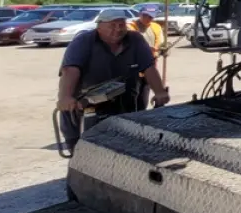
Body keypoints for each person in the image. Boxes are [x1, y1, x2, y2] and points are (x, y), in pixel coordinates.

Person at [56, 9, 170, 152]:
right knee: (84, 147)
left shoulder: (135, 39)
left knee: (127, 143)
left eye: (121, 25)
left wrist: (159, 92)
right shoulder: (83, 41)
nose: (118, 29)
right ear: (99, 26)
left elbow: (149, 68)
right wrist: (65, 97)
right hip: (86, 101)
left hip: (124, 99)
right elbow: (70, 70)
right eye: (112, 25)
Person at [129, 9, 166, 110]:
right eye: (146, 16)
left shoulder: (156, 27)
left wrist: (162, 50)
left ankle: (141, 114)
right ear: (140, 15)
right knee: (131, 97)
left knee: (143, 97)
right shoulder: (130, 27)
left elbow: (161, 43)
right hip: (133, 68)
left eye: (151, 17)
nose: (149, 19)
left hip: (149, 67)